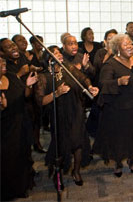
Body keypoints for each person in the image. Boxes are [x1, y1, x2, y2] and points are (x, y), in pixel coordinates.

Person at [35, 46, 99, 187]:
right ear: (49, 59)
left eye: (59, 52)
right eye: (56, 53)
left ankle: (76, 171)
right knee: (61, 145)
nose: (60, 55)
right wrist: (56, 93)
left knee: (78, 143)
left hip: (76, 111)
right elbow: (40, 101)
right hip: (58, 115)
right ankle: (58, 174)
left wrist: (90, 87)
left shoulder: (69, 69)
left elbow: (84, 78)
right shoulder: (44, 77)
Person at [93, 34, 133, 177]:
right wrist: (117, 82)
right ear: (118, 48)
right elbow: (103, 84)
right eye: (126, 45)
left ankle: (131, 160)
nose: (130, 46)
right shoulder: (110, 64)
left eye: (130, 43)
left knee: (132, 135)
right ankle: (118, 162)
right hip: (118, 108)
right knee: (119, 137)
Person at [0, 51, 38, 200]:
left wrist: (28, 86)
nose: (3, 65)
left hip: (20, 123)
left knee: (21, 155)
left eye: (4, 63)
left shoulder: (11, 76)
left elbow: (25, 95)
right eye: (0, 63)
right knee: (7, 159)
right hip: (4, 129)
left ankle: (22, 186)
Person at [86, 29, 118, 137]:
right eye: (109, 39)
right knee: (99, 109)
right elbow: (98, 68)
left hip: (115, 85)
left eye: (115, 39)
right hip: (101, 85)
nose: (112, 41)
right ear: (105, 41)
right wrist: (109, 53)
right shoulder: (100, 52)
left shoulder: (120, 52)